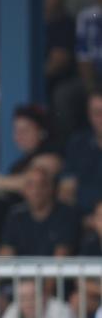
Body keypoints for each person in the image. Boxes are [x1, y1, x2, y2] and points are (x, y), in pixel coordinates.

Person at [0, 104, 61, 202]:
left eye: (25, 130)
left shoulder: (51, 153)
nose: (19, 136)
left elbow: (33, 183)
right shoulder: (17, 165)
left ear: (41, 132)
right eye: (16, 130)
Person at [0, 165, 80, 257]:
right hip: (22, 270)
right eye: (30, 185)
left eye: (42, 185)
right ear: (24, 190)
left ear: (51, 188)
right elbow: (5, 256)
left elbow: (60, 261)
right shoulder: (16, 215)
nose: (36, 190)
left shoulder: (66, 215)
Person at [59, 91, 102, 227]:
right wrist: (78, 220)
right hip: (82, 222)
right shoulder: (78, 143)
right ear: (89, 116)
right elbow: (66, 190)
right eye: (97, 113)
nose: (101, 117)